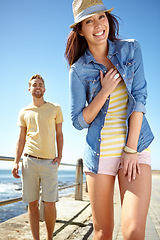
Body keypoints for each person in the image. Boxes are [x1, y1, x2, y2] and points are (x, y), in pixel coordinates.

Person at [65, 0, 154, 239]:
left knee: (134, 231)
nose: (98, 25)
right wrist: (104, 92)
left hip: (133, 148)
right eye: (89, 21)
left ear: (108, 19)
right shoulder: (78, 70)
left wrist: (131, 149)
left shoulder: (131, 48)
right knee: (103, 232)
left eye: (101, 17)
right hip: (99, 153)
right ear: (80, 30)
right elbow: (78, 121)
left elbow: (140, 98)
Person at [12, 74, 64, 240]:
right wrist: (15, 161)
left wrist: (60, 156)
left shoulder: (55, 108)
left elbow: (59, 134)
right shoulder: (24, 112)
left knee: (50, 203)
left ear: (44, 88)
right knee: (32, 203)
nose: (38, 87)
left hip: (50, 162)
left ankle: (50, 237)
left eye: (40, 84)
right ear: (30, 89)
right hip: (29, 161)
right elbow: (21, 139)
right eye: (34, 85)